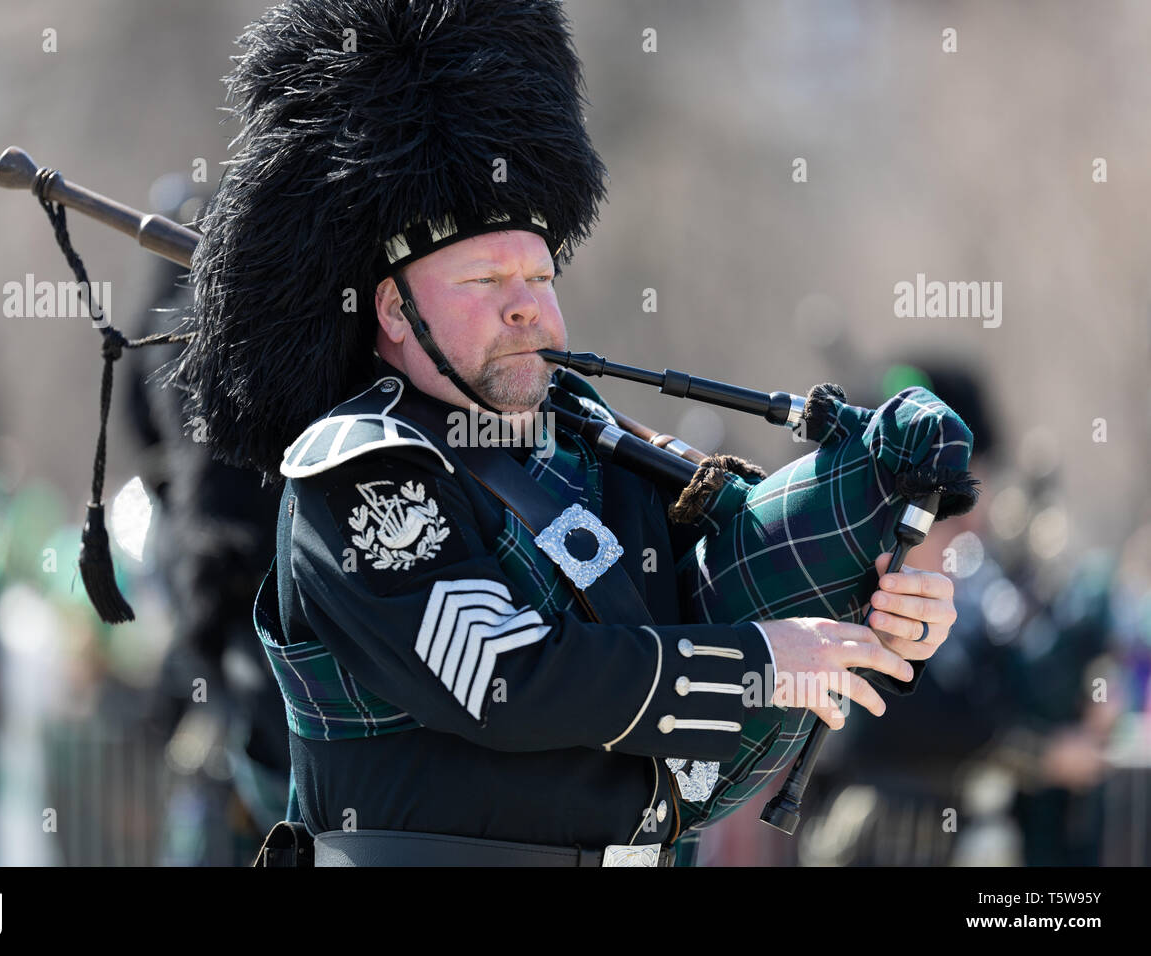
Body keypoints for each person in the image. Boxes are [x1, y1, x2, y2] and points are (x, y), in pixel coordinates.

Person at [168, 0, 958, 866]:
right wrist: (761, 666)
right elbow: (507, 677)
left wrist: (880, 604)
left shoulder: (588, 442)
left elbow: (723, 585)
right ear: (393, 309)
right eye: (484, 276)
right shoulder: (359, 472)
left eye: (540, 274)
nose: (526, 303)